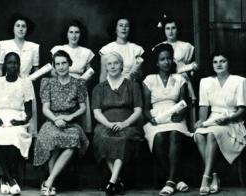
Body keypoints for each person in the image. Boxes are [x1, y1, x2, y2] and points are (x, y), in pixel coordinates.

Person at [33, 50, 89, 196]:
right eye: (57, 64)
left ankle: (49, 182)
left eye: (64, 63)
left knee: (73, 140)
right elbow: (45, 108)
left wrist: (70, 117)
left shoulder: (78, 83)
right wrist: (56, 119)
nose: (61, 67)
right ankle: (51, 184)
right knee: (52, 138)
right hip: (52, 121)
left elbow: (83, 107)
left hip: (71, 122)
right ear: (54, 66)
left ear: (69, 63)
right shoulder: (48, 83)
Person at [142, 43, 191, 196]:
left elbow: (184, 102)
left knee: (175, 134)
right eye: (162, 59)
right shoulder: (149, 79)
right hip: (156, 117)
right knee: (159, 137)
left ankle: (169, 181)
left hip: (175, 115)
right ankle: (177, 179)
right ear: (157, 62)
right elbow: (144, 108)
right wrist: (152, 118)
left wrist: (181, 114)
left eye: (169, 58)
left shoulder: (179, 78)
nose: (166, 62)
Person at [194, 51, 246, 195]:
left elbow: (242, 109)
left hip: (232, 120)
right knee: (198, 134)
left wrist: (228, 119)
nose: (219, 64)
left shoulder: (239, 81)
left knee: (212, 134)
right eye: (215, 62)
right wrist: (201, 121)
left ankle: (205, 178)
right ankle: (214, 176)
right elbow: (203, 106)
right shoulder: (205, 82)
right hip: (212, 119)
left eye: (222, 61)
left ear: (229, 63)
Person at [0, 52, 34, 195]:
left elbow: (29, 112)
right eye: (10, 62)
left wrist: (22, 121)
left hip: (17, 116)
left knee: (15, 135)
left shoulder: (25, 83)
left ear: (19, 65)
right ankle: (10, 178)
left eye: (16, 63)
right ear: (4, 65)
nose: (13, 65)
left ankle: (5, 178)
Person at [92, 52, 142, 196]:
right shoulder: (99, 88)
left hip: (127, 124)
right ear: (106, 67)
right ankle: (116, 181)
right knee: (102, 137)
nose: (113, 66)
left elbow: (138, 110)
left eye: (116, 63)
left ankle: (112, 181)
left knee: (123, 139)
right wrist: (108, 124)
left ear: (121, 65)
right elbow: (97, 112)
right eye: (109, 64)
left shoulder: (132, 86)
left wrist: (124, 123)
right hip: (105, 124)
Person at [0, 13, 39, 136]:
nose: (20, 29)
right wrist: (0, 84)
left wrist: (30, 80)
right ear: (13, 28)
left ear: (27, 28)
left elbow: (36, 68)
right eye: (18, 26)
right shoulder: (4, 45)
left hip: (26, 84)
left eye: (23, 26)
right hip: (8, 84)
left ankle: (27, 150)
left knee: (29, 121)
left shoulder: (34, 47)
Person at [50, 19, 95, 133]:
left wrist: (81, 84)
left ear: (81, 34)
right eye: (71, 32)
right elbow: (52, 71)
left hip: (80, 85)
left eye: (77, 32)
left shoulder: (86, 52)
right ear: (66, 34)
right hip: (61, 86)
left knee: (79, 122)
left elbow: (90, 73)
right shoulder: (59, 49)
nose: (74, 35)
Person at [99, 17, 144, 82]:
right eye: (121, 25)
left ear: (130, 29)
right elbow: (103, 75)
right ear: (115, 29)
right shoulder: (107, 49)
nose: (124, 28)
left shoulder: (136, 49)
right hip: (111, 89)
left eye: (127, 26)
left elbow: (140, 75)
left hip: (131, 87)